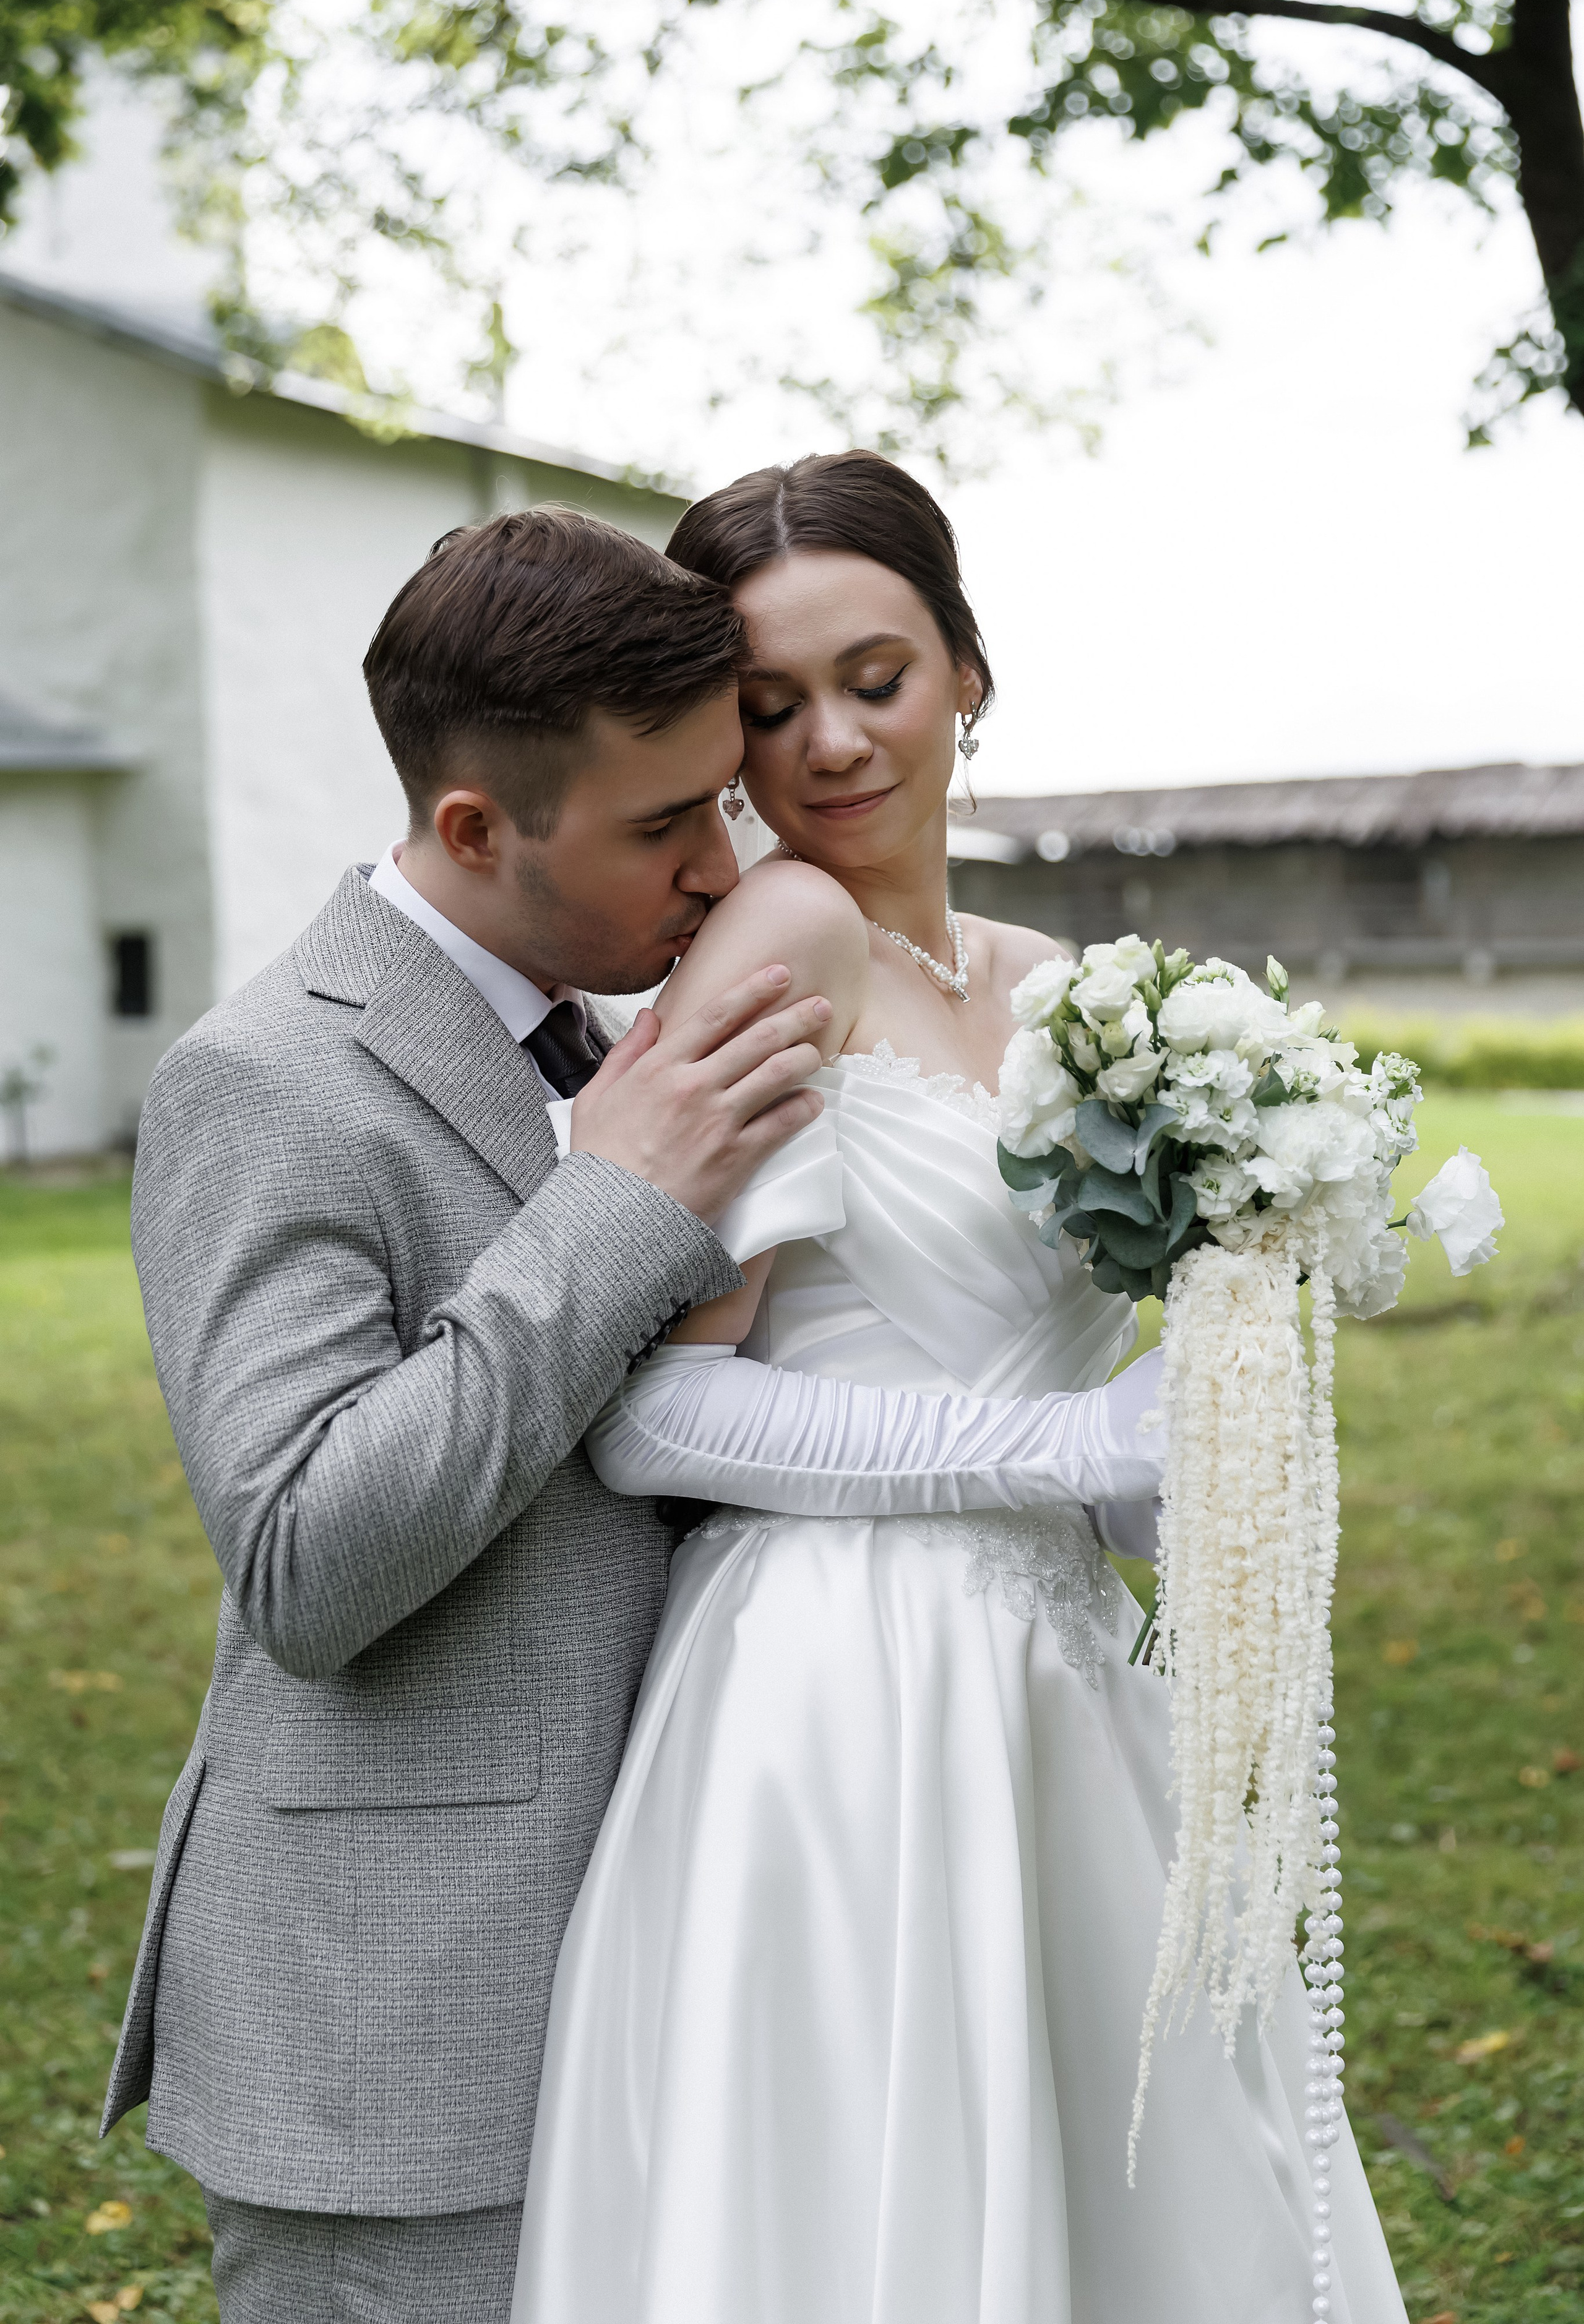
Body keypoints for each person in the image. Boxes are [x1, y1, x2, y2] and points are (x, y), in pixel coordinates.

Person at [103, 504, 1174, 2324]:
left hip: (721, 1929)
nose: (724, 866)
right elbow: (305, 1561)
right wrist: (608, 1207)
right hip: (408, 2024)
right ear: (474, 828)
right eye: (669, 824)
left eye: (722, 805)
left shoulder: (634, 1035)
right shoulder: (266, 1079)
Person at [510, 454, 1409, 2323]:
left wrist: (1185, 1447)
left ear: (970, 670)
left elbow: (1087, 1360)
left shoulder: (1078, 992)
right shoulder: (782, 942)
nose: (830, 743)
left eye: (878, 676)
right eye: (769, 708)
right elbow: (659, 1418)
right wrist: (1064, 1446)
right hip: (845, 1687)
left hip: (1058, 1675)